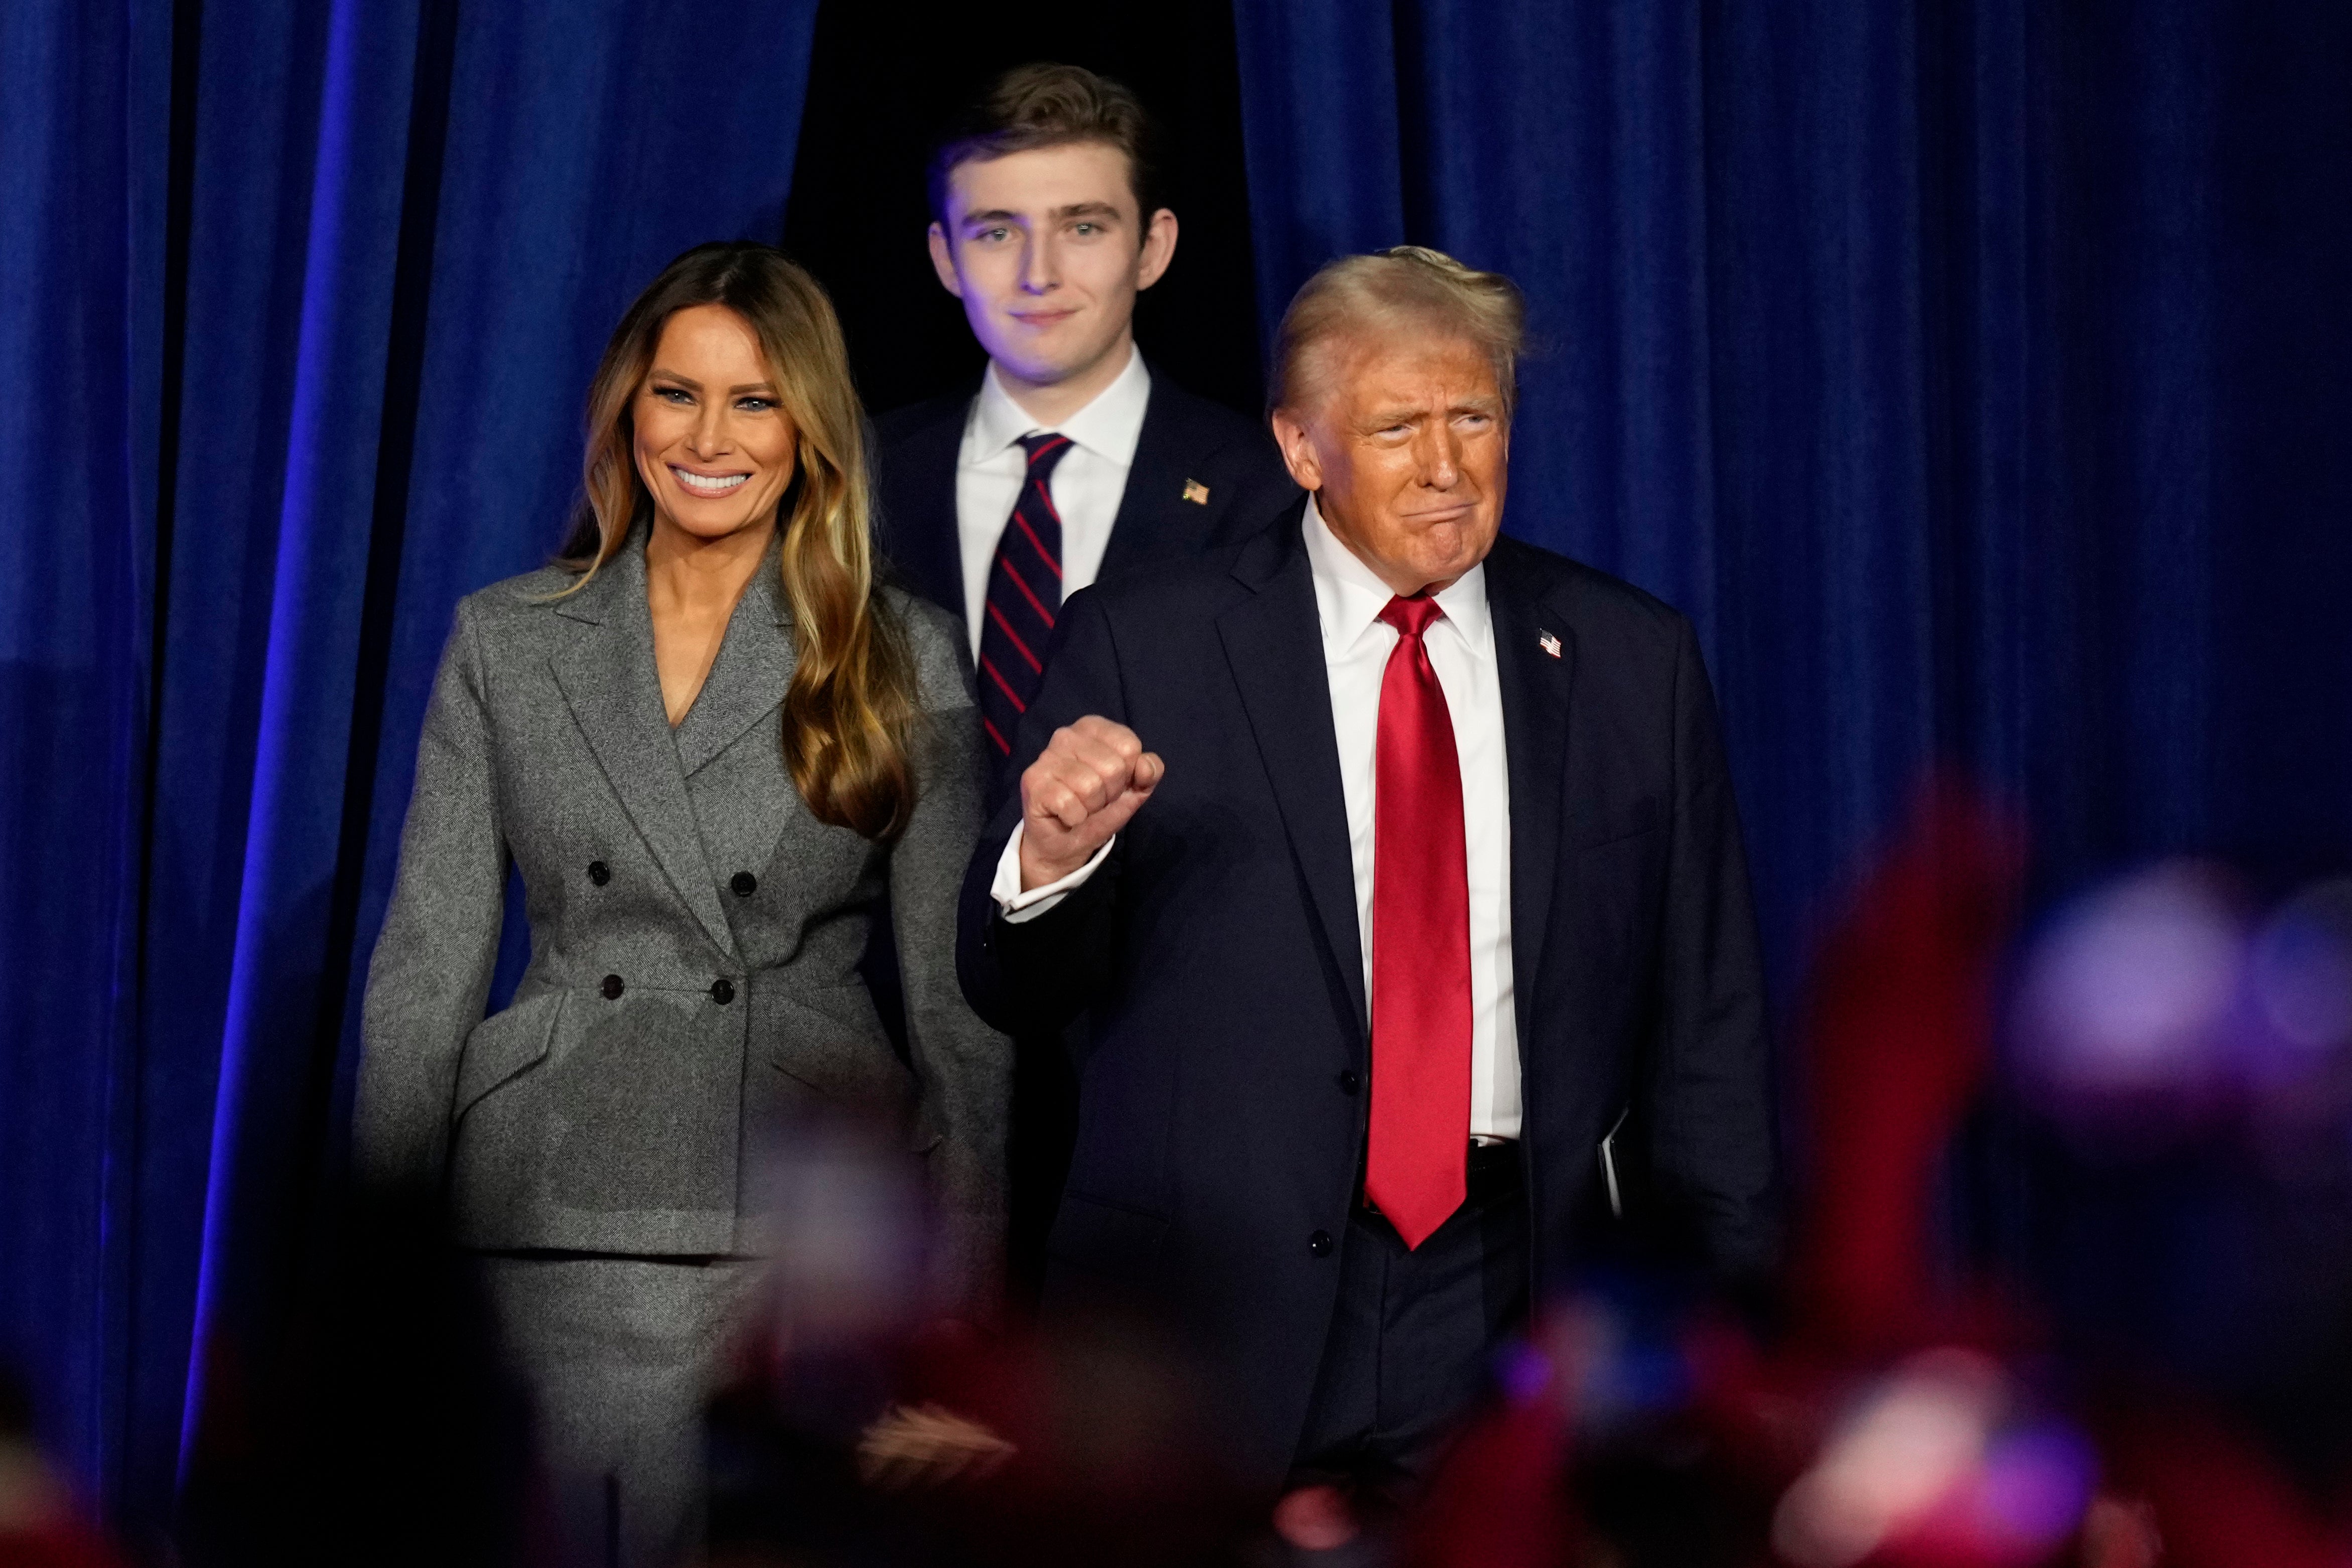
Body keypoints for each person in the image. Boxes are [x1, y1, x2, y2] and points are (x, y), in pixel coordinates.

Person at [954, 248, 1777, 1503]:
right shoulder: (1145, 641)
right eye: (1397, 427)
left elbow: (1707, 1032)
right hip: (1214, 1311)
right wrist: (1051, 862)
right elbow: (1014, 988)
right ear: (1301, 447)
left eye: (1475, 418)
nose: (1447, 467)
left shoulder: (1628, 659)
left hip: (1517, 1291)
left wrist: (1725, 1338)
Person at [354, 241, 1008, 1568]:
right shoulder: (508, 637)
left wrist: (956, 1330)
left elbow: (961, 1019)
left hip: (795, 1232)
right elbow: (424, 975)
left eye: (755, 399)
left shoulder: (900, 650)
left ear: (811, 427)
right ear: (624, 410)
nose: (710, 437)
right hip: (540, 1211)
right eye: (676, 393)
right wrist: (375, 1296)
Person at [873, 62, 1297, 773]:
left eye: (1084, 227)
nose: (1040, 272)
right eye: (997, 233)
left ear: (1151, 249)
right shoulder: (860, 475)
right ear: (946, 257)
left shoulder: (1261, 490)